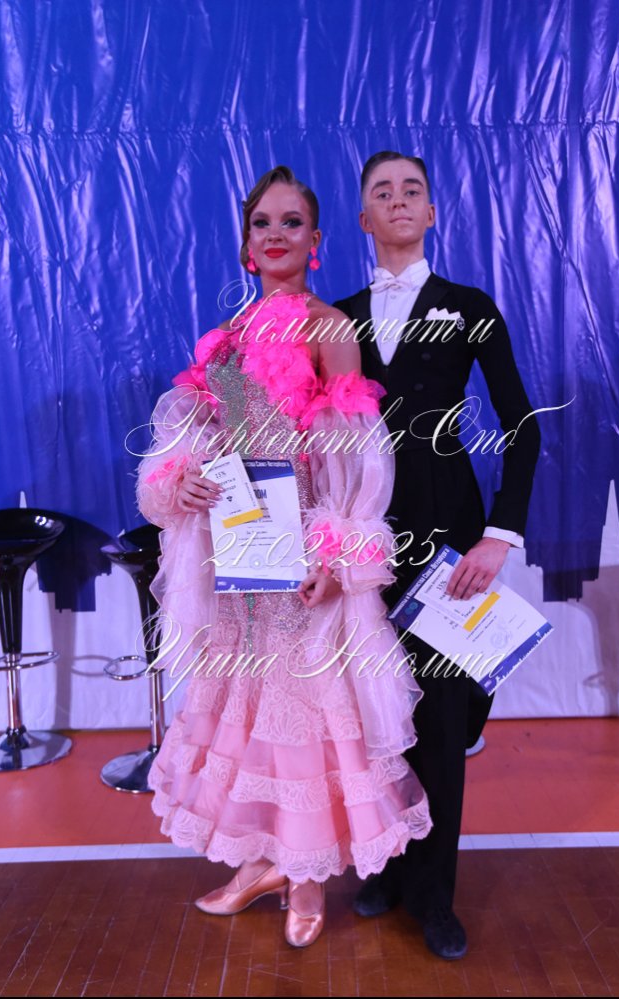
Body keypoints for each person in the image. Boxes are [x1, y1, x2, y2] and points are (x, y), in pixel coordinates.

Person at [135, 165, 432, 949]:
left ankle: (305, 875)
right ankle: (262, 860)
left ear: (316, 240)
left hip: (301, 555)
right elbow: (204, 438)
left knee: (303, 715)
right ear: (245, 243)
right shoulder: (228, 339)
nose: (275, 234)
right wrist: (184, 478)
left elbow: (357, 456)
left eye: (291, 222)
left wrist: (336, 555)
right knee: (246, 713)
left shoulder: (329, 329)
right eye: (261, 222)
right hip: (241, 554)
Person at [333, 151, 541, 960]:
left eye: (411, 190)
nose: (398, 201)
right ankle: (385, 868)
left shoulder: (470, 306)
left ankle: (434, 895)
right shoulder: (338, 317)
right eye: (382, 192)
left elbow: (522, 425)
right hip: (361, 538)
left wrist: (499, 534)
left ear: (430, 211)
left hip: (449, 538)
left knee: (443, 716)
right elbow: (292, 420)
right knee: (372, 714)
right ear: (363, 219)